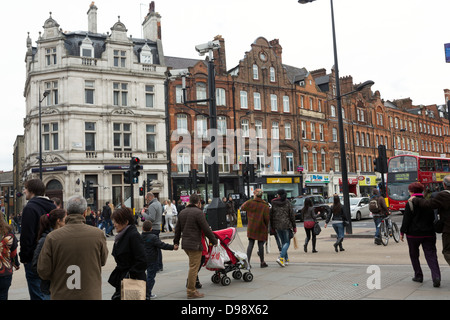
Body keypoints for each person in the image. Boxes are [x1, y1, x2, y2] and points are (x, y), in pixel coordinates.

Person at [37, 195, 108, 300]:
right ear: (84, 213)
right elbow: (102, 261)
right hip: (90, 295)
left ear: (67, 213)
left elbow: (43, 271)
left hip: (62, 295)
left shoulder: (52, 237)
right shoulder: (98, 234)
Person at [173, 193, 218, 299]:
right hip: (195, 244)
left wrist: (176, 242)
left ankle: (192, 288)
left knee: (192, 266)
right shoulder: (198, 213)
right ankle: (191, 291)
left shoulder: (182, 212)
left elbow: (178, 229)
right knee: (194, 268)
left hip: (186, 245)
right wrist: (214, 240)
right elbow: (206, 229)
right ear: (198, 203)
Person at [19, 178, 56, 300]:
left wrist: (24, 257)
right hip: (52, 254)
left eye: (25, 189)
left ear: (32, 191)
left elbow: (27, 236)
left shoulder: (30, 208)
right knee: (49, 291)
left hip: (34, 257)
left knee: (37, 292)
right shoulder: (52, 206)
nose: (24, 191)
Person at [400, 182, 441, 287]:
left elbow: (406, 220)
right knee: (431, 255)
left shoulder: (410, 203)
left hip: (413, 234)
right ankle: (436, 276)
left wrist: (402, 232)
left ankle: (418, 275)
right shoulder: (427, 203)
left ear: (412, 191)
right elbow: (432, 218)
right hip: (428, 233)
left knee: (414, 255)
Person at [108, 206, 147, 300]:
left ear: (126, 222)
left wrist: (130, 274)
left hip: (132, 281)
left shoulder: (133, 235)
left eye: (117, 221)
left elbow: (142, 260)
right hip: (124, 279)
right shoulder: (122, 235)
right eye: (114, 221)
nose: (114, 224)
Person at [411, 174, 450, 267]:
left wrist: (415, 200)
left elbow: (428, 204)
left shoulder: (444, 195)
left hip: (448, 230)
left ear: (444, 185)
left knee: (447, 252)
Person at [31, 208, 67, 299]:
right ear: (59, 221)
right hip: (50, 288)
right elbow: (36, 265)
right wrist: (50, 275)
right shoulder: (45, 240)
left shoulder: (63, 237)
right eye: (65, 219)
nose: (67, 222)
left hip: (63, 286)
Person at [141, 220, 178, 299]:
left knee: (143, 277)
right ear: (151, 228)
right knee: (150, 277)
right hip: (152, 259)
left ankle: (143, 292)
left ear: (142, 228)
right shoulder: (153, 237)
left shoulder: (139, 237)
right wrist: (172, 247)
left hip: (142, 259)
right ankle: (148, 293)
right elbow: (162, 245)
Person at [240, 188, 270, 268]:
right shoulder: (265, 205)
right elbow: (267, 218)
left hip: (252, 226)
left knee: (250, 244)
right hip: (261, 226)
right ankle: (262, 262)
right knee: (261, 245)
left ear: (255, 194)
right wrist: (266, 225)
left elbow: (242, 207)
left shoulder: (250, 203)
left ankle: (247, 262)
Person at [269, 189, 296, 267]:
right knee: (287, 242)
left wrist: (272, 226)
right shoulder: (287, 202)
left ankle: (286, 259)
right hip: (286, 225)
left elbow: (271, 215)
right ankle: (281, 258)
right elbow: (291, 215)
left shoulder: (273, 203)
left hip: (277, 225)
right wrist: (294, 227)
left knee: (283, 242)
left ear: (278, 195)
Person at [0, 215, 20, 300]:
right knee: (3, 295)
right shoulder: (9, 234)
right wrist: (16, 263)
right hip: (4, 272)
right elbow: (13, 253)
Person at [143, 192, 163, 271]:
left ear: (149, 197)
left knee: (152, 248)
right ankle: (159, 265)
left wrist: (143, 213)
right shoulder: (158, 203)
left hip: (153, 228)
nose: (146, 201)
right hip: (157, 227)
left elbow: (151, 218)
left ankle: (155, 266)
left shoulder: (152, 205)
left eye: (146, 199)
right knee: (157, 247)